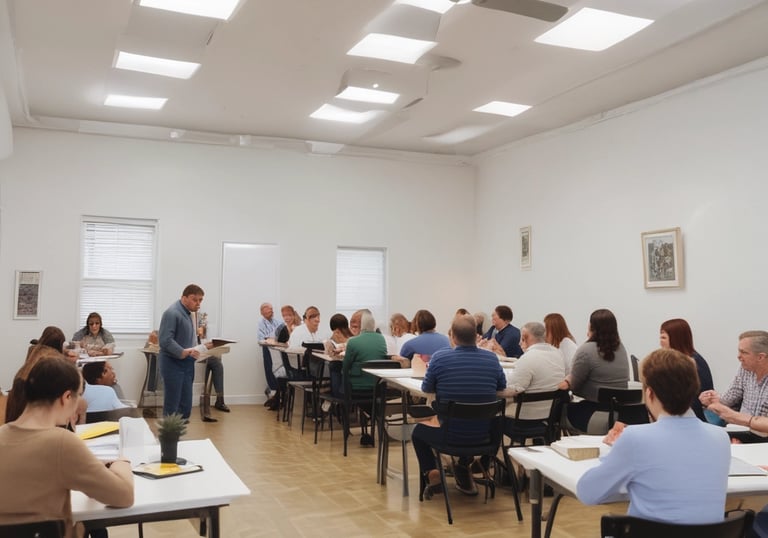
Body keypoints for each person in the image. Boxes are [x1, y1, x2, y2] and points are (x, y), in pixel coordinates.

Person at [577, 348, 730, 525]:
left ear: (649, 393)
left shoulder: (635, 438)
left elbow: (588, 493)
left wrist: (616, 453)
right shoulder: (720, 438)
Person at [0, 357, 134, 536]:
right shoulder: (61, 443)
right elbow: (124, 496)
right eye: (79, 395)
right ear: (66, 397)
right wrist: (121, 463)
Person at [411, 314, 506, 497]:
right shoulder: (491, 359)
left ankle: (432, 473)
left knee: (417, 432)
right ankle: (464, 468)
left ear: (452, 337)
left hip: (450, 436)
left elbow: (426, 387)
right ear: (476, 336)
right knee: (469, 419)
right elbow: (501, 387)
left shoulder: (440, 358)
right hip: (485, 437)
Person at [559, 309, 630, 432]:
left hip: (592, 415)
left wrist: (567, 379)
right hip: (620, 415)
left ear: (592, 326)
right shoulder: (621, 348)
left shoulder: (586, 350)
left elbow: (574, 387)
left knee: (556, 408)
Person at [6, 327, 85, 424]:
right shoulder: (53, 363)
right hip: (38, 415)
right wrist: (71, 363)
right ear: (61, 344)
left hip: (16, 412)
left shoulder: (33, 353)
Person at [701, 330, 768, 443]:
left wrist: (733, 416)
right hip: (741, 431)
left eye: (744, 352)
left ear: (761, 357)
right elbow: (729, 399)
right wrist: (712, 399)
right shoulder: (745, 369)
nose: (738, 356)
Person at [159, 284, 213, 420]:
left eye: (201, 300)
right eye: (195, 300)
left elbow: (186, 338)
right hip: (173, 364)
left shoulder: (188, 313)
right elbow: (165, 340)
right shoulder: (172, 313)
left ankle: (179, 439)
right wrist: (182, 352)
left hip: (186, 364)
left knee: (185, 407)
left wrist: (201, 347)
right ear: (184, 298)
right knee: (173, 407)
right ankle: (169, 439)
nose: (198, 303)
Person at [501, 322, 566, 432]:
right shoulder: (558, 354)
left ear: (525, 337)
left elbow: (512, 389)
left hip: (524, 418)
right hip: (550, 415)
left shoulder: (528, 358)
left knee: (493, 414)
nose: (519, 343)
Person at [658, 318, 714, 422]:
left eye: (663, 338)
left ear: (676, 338)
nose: (660, 342)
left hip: (694, 418)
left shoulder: (694, 363)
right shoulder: (680, 360)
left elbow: (696, 402)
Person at [258, 303, 283, 401]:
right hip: (268, 348)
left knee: (279, 369)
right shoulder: (261, 323)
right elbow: (261, 338)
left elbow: (282, 332)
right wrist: (271, 339)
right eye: (268, 309)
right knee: (269, 369)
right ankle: (273, 392)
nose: (271, 311)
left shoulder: (277, 321)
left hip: (278, 348)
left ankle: (278, 392)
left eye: (272, 309)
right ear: (262, 312)